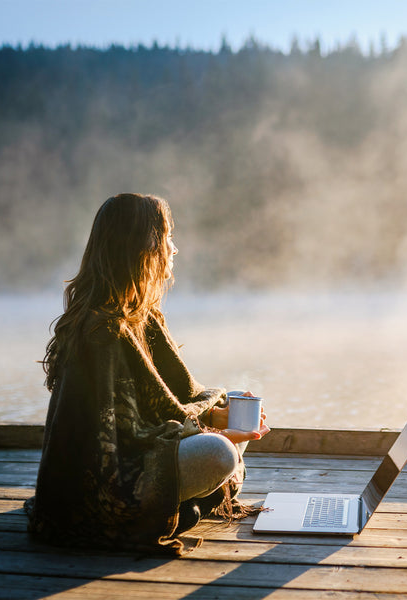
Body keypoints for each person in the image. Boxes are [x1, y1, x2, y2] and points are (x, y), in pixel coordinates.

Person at [24, 193, 269, 554]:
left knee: (237, 404)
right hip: (106, 482)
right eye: (167, 237)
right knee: (218, 453)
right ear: (142, 248)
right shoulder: (102, 331)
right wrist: (216, 433)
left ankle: (183, 505)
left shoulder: (144, 316)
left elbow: (170, 404)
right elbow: (120, 437)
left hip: (149, 443)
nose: (174, 249)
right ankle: (177, 507)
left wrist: (218, 416)